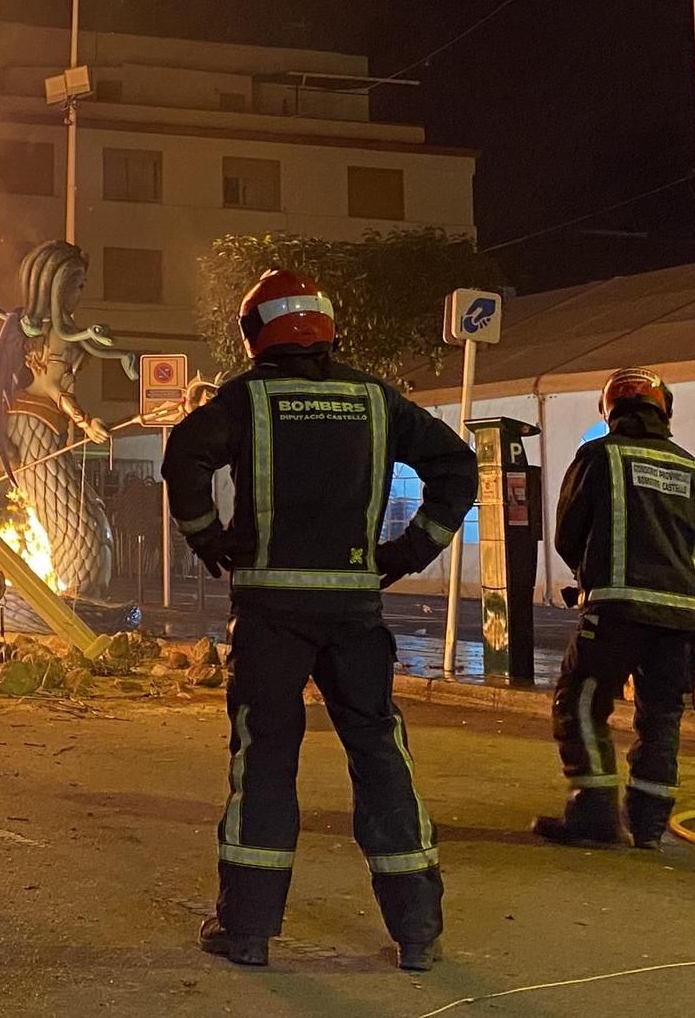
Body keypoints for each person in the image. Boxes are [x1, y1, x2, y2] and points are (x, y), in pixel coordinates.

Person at [161, 268, 477, 973]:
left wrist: (210, 539)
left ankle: (246, 930)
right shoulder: (374, 399)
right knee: (380, 755)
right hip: (356, 614)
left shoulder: (246, 400)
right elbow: (456, 466)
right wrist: (410, 549)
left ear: (255, 333)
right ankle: (418, 929)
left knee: (266, 759)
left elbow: (185, 454)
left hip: (271, 614)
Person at [531, 368, 695, 850]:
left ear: (609, 411)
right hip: (680, 619)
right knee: (660, 717)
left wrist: (593, 578)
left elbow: (568, 534)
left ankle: (593, 816)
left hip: (614, 613)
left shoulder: (599, 456)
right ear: (665, 410)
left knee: (580, 702)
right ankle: (649, 827)